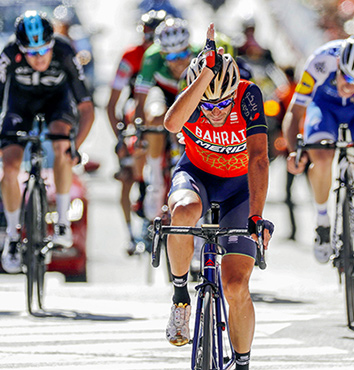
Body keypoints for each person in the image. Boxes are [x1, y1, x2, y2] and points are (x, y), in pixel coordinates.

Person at [163, 23, 273, 370]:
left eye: (223, 104)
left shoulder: (248, 95)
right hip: (197, 176)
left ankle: (241, 363)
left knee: (236, 284)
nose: (216, 111)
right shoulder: (195, 97)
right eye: (208, 104)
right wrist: (205, 77)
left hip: (238, 189)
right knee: (183, 211)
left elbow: (258, 158)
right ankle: (181, 297)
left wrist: (256, 216)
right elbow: (171, 124)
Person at [0, 10, 94, 273]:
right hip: (20, 106)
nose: (39, 57)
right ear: (21, 49)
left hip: (58, 105)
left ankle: (62, 223)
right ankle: (12, 236)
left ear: (52, 44)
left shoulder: (65, 51)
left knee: (61, 146)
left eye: (44, 50)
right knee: (10, 167)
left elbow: (87, 107)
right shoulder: (9, 54)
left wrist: (75, 146)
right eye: (31, 53)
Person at [282, 36, 354, 263]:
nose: (349, 87)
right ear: (338, 65)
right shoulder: (320, 61)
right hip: (324, 108)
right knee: (322, 158)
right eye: (347, 78)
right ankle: (323, 219)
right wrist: (295, 151)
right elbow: (295, 112)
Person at [106, 10, 167, 253]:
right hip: (136, 112)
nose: (150, 40)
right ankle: (130, 234)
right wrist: (119, 137)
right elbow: (112, 103)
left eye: (155, 35)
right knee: (127, 175)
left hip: (164, 111)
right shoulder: (130, 56)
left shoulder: (170, 53)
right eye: (147, 35)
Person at [134, 17, 200, 221]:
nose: (179, 61)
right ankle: (155, 182)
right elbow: (141, 97)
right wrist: (139, 129)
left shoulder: (201, 55)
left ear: (190, 48)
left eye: (183, 53)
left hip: (190, 93)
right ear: (162, 54)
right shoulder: (152, 56)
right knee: (154, 117)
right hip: (163, 93)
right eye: (172, 56)